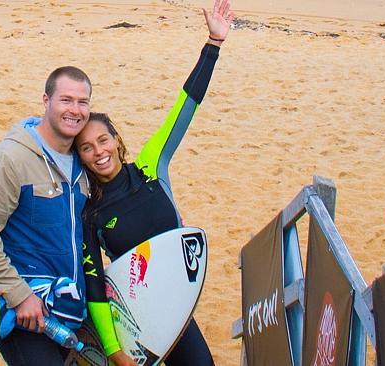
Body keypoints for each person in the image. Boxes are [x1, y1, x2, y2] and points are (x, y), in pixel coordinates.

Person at [75, 0, 234, 364]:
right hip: (136, 322)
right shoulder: (90, 212)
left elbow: (185, 106)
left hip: (178, 308)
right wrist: (115, 352)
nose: (98, 151)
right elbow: (95, 283)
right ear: (80, 157)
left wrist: (213, 44)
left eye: (102, 140)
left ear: (116, 139)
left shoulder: (149, 166)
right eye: (86, 148)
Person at [0, 66, 93, 365]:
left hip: (68, 309)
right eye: (66, 100)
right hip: (23, 312)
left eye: (83, 102)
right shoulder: (9, 160)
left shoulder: (82, 164)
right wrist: (19, 295)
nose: (75, 110)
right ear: (46, 100)